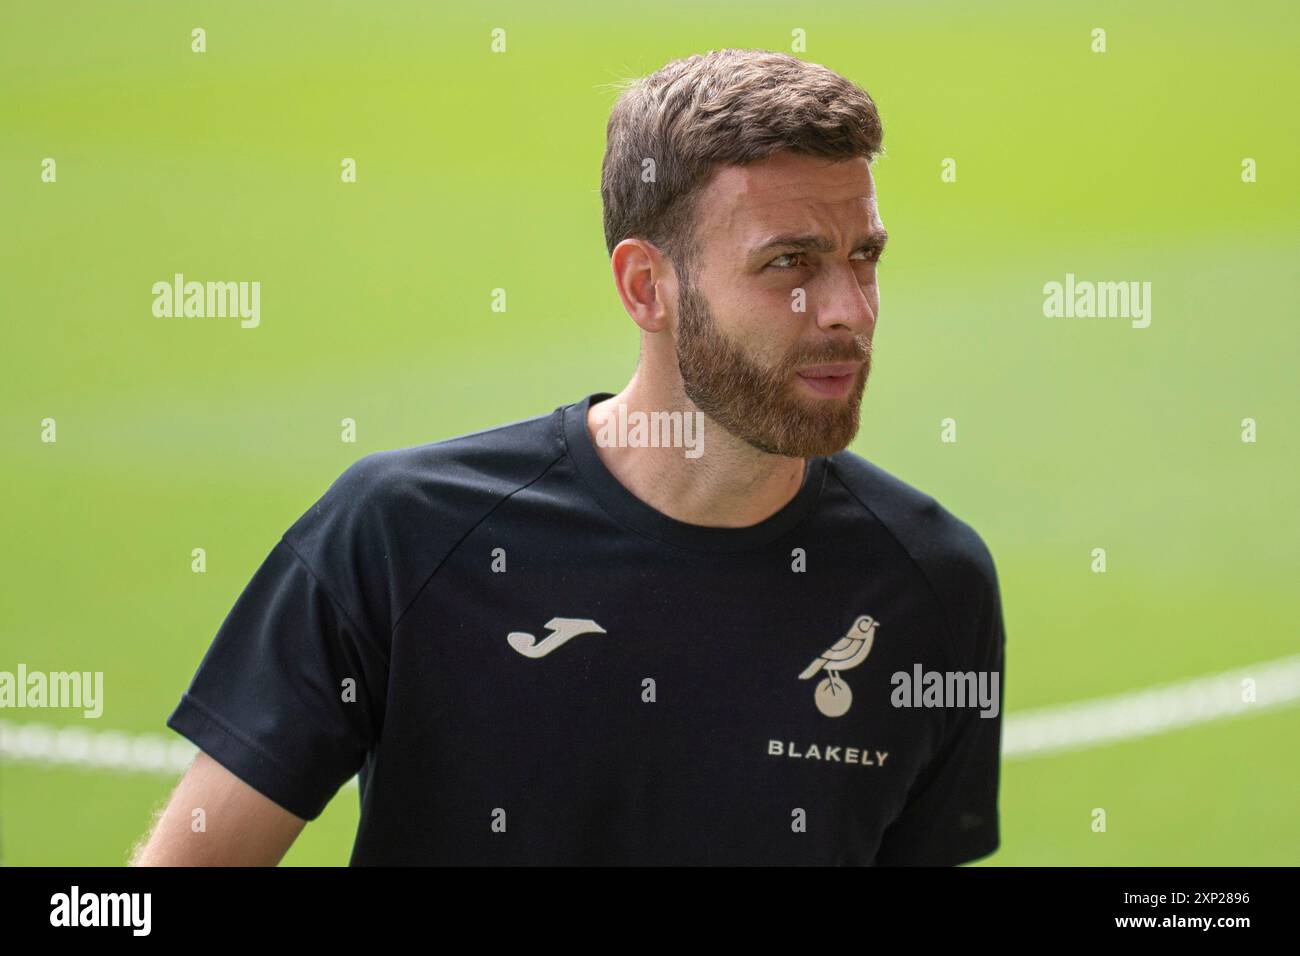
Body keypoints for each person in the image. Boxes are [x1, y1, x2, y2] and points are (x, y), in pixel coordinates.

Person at [132, 48, 1005, 866]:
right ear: (646, 287)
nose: (849, 310)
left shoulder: (934, 586)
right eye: (789, 265)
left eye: (865, 257)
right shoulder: (402, 535)